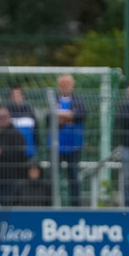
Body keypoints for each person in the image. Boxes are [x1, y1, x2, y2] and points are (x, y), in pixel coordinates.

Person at [54, 74, 87, 206]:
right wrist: (67, 117)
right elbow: (48, 118)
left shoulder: (78, 100)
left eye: (67, 84)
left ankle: (75, 207)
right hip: (56, 146)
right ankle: (51, 204)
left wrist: (64, 116)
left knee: (73, 177)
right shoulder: (53, 100)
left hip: (74, 145)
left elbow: (82, 114)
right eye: (63, 84)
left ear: (73, 86)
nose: (65, 86)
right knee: (53, 176)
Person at [7, 86, 37, 159]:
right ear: (10, 97)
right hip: (10, 154)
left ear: (23, 96)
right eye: (13, 95)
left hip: (28, 152)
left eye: (18, 95)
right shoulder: (6, 113)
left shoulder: (30, 112)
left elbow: (36, 132)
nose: (16, 98)